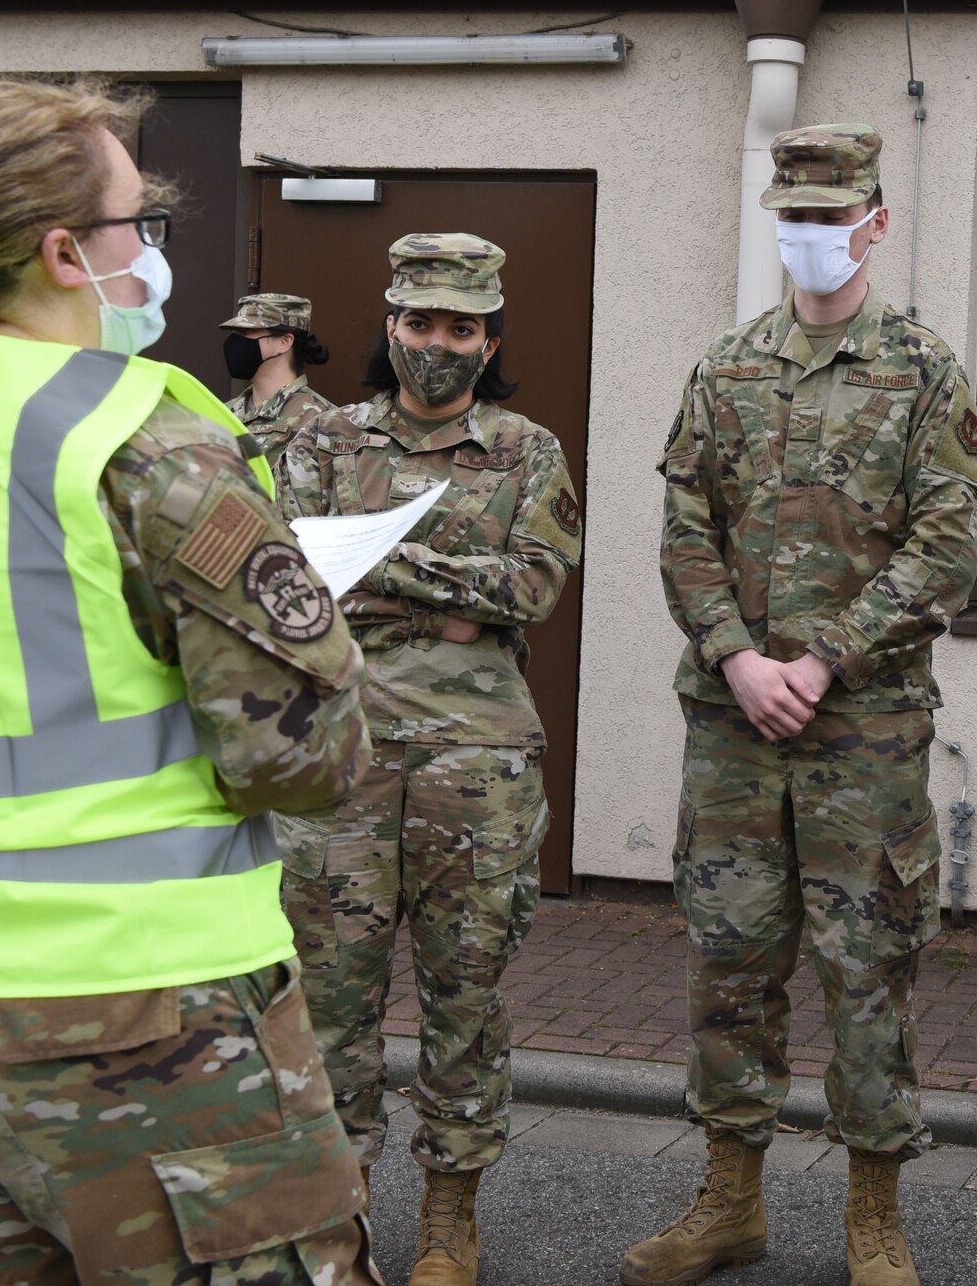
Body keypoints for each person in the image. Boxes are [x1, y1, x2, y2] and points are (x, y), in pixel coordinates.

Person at [0, 78, 376, 1284]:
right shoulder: (141, 436)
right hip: (136, 1013)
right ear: (66, 253)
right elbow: (304, 760)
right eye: (136, 228)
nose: (150, 257)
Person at [626, 123, 977, 1286]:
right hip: (735, 729)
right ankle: (729, 1202)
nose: (814, 235)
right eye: (796, 216)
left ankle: (871, 1218)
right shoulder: (724, 367)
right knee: (727, 968)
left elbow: (947, 545)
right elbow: (684, 535)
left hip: (861, 734)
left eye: (834, 216)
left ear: (874, 223)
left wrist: (822, 659)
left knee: (867, 969)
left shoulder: (924, 372)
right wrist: (736, 658)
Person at [277, 232, 583, 1286]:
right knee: (329, 1003)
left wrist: (381, 564)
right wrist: (457, 590)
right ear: (389, 324)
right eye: (418, 323)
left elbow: (535, 589)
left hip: (477, 764)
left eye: (460, 328)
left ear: (489, 335)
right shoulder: (322, 439)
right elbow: (297, 586)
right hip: (341, 758)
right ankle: (339, 1219)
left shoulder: (527, 450)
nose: (436, 346)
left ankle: (451, 1220)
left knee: (467, 995)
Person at [219, 291, 335, 481]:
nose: (235, 343)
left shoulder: (320, 419)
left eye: (247, 332)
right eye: (235, 333)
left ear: (284, 342)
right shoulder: (223, 413)